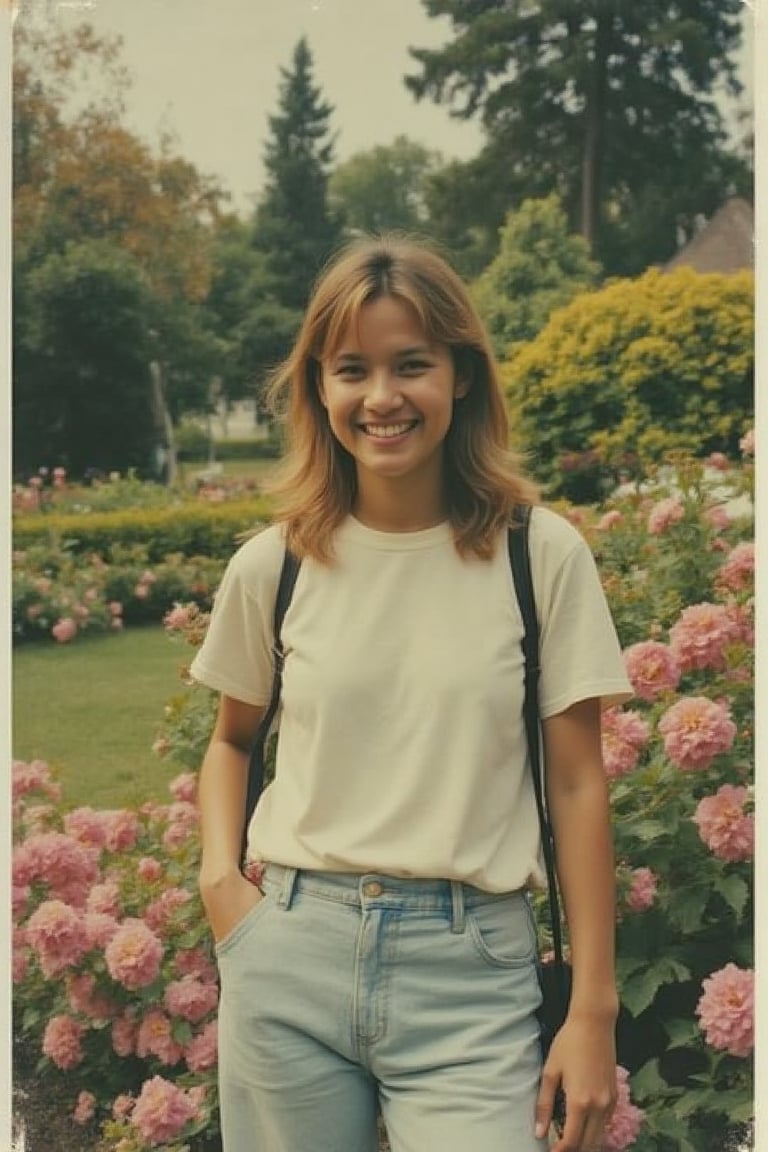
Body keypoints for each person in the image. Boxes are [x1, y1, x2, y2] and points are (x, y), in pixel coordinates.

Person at [191, 235, 633, 1152]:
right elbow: (233, 741)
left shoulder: (537, 555)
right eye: (353, 368)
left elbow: (580, 784)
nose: (382, 397)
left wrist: (593, 1010)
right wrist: (220, 888)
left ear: (461, 376)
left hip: (470, 972)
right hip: (290, 960)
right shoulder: (272, 565)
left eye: (412, 365)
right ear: (320, 384)